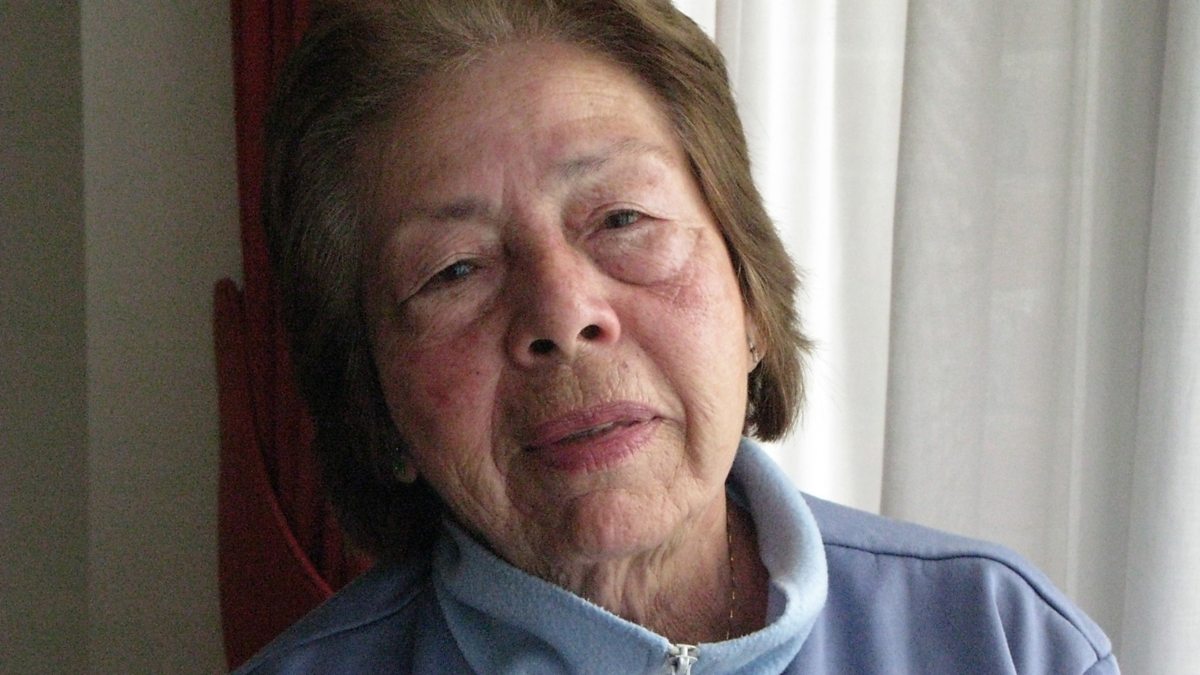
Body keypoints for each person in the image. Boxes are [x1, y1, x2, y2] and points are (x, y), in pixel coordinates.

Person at [236, 0, 1118, 672]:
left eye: (622, 218)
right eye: (455, 269)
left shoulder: (1004, 641)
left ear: (750, 295)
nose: (562, 315)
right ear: (373, 396)